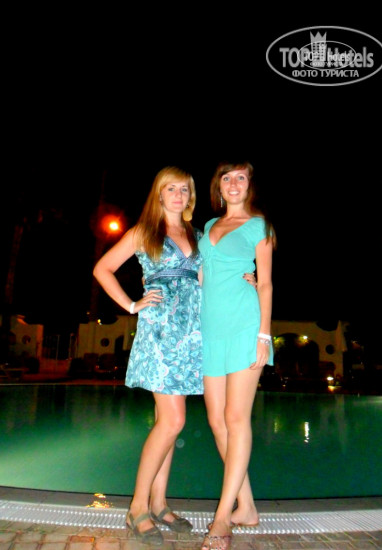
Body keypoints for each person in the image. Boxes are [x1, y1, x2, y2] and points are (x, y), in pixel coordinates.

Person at [93, 166, 203, 546]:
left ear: (190, 196)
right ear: (159, 194)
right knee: (173, 421)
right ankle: (137, 507)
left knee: (167, 423)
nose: (178, 195)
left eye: (184, 189)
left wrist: (245, 281)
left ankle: (159, 503)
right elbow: (103, 268)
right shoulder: (144, 232)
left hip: (190, 336)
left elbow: (206, 282)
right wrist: (131, 304)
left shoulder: (197, 235)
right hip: (159, 332)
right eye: (171, 189)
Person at [198, 160, 275, 550]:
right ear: (219, 185)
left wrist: (263, 335)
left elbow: (266, 283)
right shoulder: (210, 225)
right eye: (226, 178)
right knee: (216, 422)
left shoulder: (260, 227)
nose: (233, 183)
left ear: (249, 185)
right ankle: (247, 507)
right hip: (210, 330)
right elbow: (202, 274)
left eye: (240, 178)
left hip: (245, 327)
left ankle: (222, 518)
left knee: (235, 417)